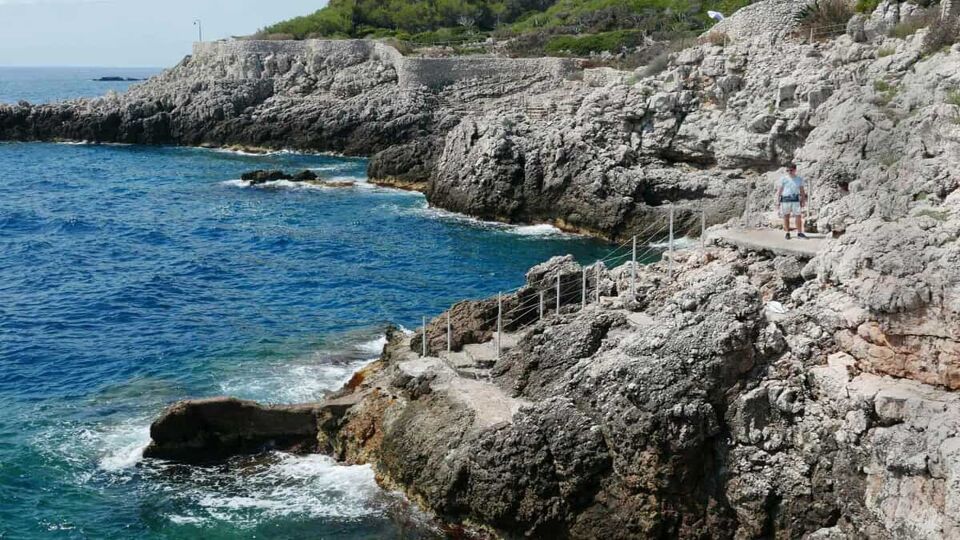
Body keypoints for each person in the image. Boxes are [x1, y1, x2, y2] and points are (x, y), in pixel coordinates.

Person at [776, 163, 807, 239]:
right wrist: (777, 201)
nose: (789, 171)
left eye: (791, 170)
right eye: (787, 170)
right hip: (785, 199)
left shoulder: (799, 179)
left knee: (798, 216)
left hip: (795, 199)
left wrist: (803, 201)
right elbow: (779, 190)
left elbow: (802, 191)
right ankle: (787, 233)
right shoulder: (783, 179)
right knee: (786, 216)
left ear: (795, 170)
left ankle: (799, 233)